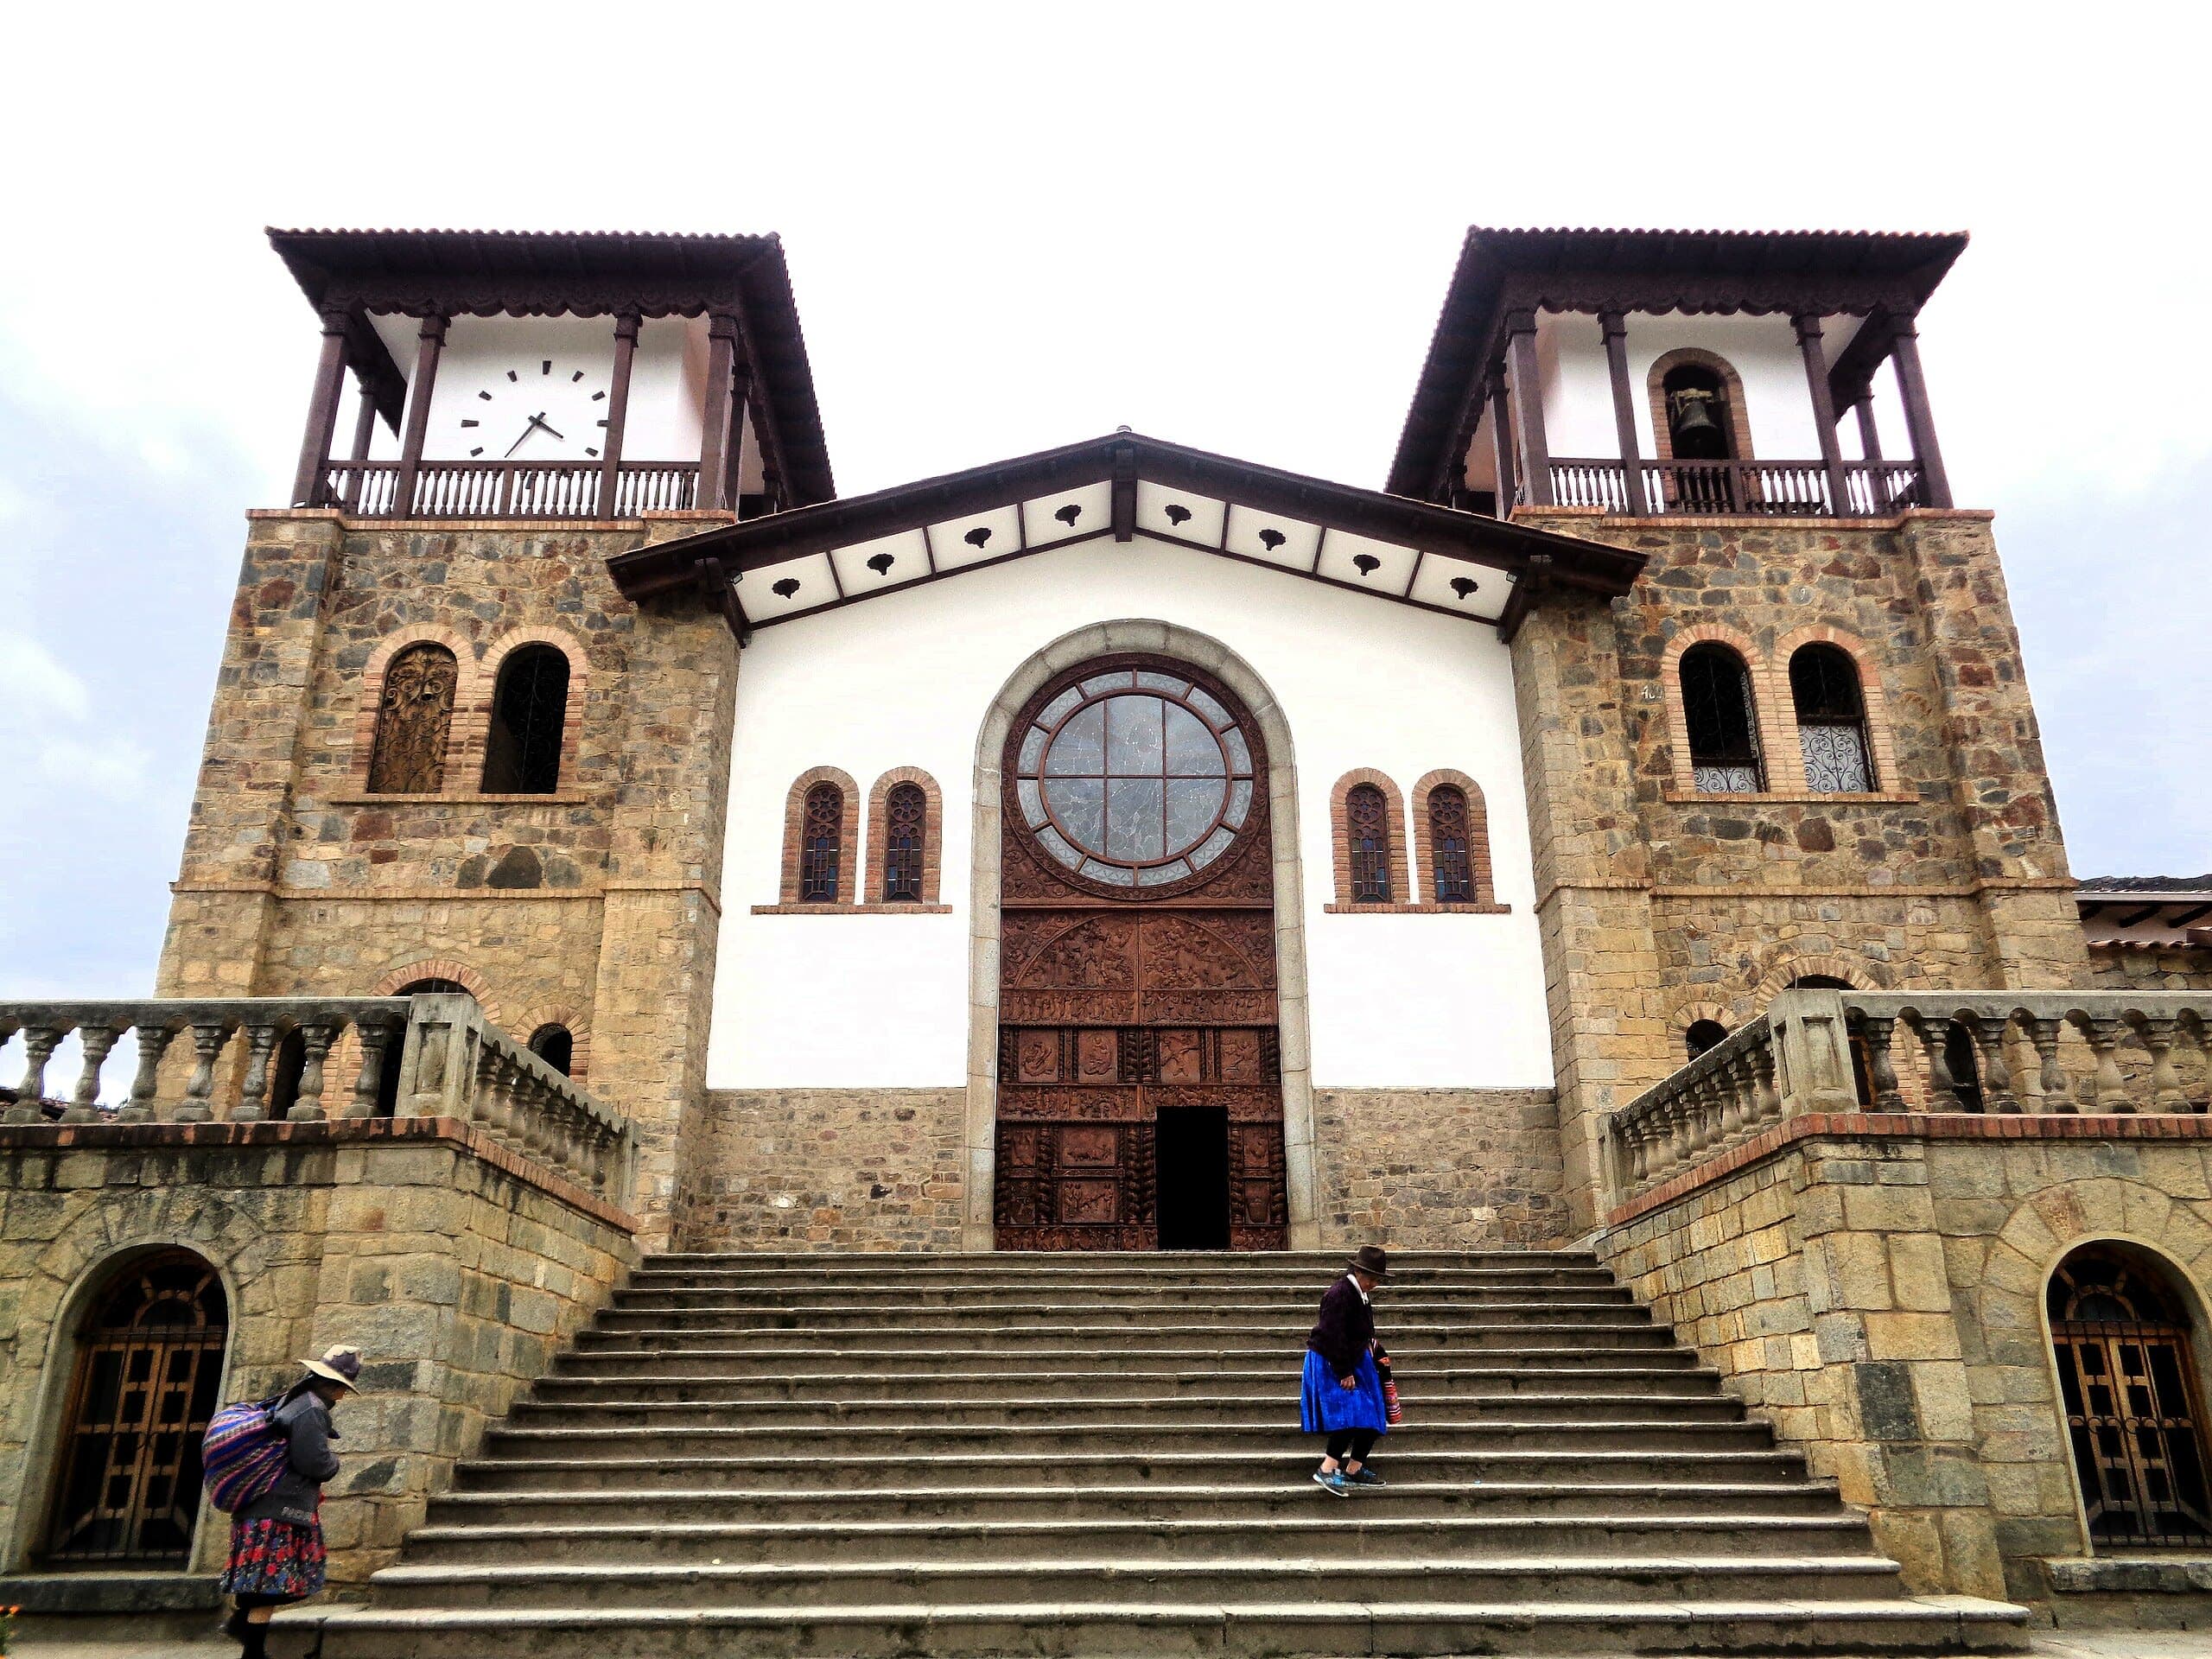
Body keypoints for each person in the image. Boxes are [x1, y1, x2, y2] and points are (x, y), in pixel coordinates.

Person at [220, 1345, 362, 1658]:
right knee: (269, 1581)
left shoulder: (294, 1400)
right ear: (337, 1387)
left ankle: (241, 1626)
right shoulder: (312, 1410)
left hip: (264, 1504)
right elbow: (312, 1462)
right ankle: (252, 1652)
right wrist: (333, 1464)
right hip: (279, 1508)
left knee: (261, 1580)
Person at [1302, 1244, 1390, 1496]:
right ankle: (1327, 1469)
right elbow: (1332, 1335)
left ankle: (1354, 1469)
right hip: (1332, 1361)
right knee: (1352, 1414)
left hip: (1353, 1360)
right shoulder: (1340, 1294)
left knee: (1372, 1415)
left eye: (1378, 1280)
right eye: (1372, 1279)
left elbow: (1361, 1332)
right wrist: (1344, 1371)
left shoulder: (1360, 1294)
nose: (1374, 1284)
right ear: (1358, 1271)